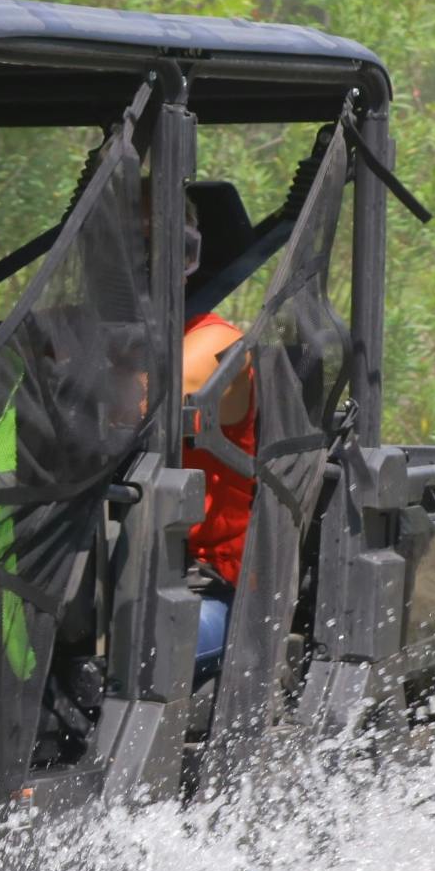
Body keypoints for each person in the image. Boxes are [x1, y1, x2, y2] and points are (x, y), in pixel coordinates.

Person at [178, 194, 255, 679]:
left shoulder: (215, 343)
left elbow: (134, 407)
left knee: (140, 657)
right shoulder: (91, 330)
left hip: (204, 589)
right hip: (102, 583)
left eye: (151, 236)